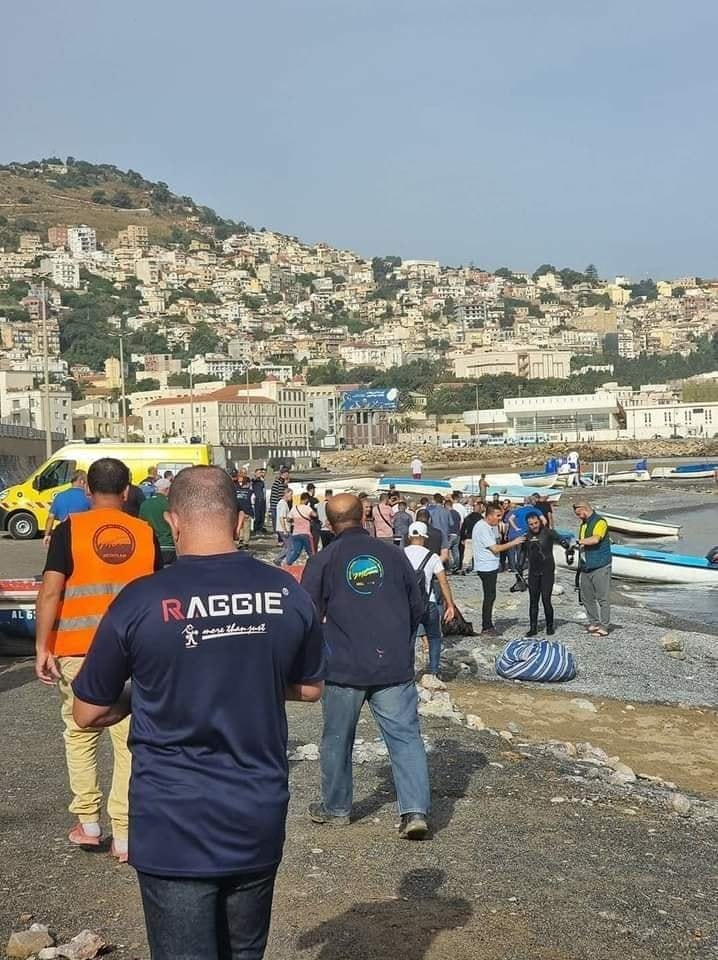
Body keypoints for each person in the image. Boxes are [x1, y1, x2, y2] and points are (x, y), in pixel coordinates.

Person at [71, 466, 325, 960]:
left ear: (173, 522)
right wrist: (251, 676)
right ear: (237, 521)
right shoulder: (286, 593)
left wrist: (142, 695)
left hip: (173, 820)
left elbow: (87, 711)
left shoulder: (140, 600)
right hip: (256, 810)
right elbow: (311, 688)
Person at [34, 458, 162, 861]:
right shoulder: (144, 532)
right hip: (134, 651)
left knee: (80, 731)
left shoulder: (70, 529)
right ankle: (125, 836)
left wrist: (42, 645)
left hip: (77, 647)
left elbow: (51, 591)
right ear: (127, 492)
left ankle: (88, 823)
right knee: (128, 742)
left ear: (87, 489)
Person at [302, 494, 429, 839]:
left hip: (343, 666)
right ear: (364, 516)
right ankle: (415, 811)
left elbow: (307, 617)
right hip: (392, 665)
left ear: (329, 524)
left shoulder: (324, 559)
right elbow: (417, 606)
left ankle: (337, 808)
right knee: (405, 738)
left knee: (337, 740)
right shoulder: (394, 554)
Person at [404, 522, 456, 676]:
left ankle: (407, 672)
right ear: (424, 537)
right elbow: (443, 581)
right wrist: (450, 605)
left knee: (409, 638)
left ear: (409, 536)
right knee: (434, 636)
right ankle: (433, 670)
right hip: (429, 602)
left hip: (407, 604)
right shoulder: (432, 556)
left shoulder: (400, 554)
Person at [472, 503, 524, 635]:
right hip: (485, 566)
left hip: (492, 565)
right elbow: (495, 548)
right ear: (489, 516)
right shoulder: (482, 528)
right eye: (498, 515)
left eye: (501, 515)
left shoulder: (492, 526)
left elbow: (498, 542)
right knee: (489, 596)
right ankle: (486, 626)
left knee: (491, 595)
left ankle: (487, 624)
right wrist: (514, 542)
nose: (500, 518)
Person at [524, 513, 571, 636]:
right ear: (528, 525)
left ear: (540, 522)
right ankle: (533, 628)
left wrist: (567, 547)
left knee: (546, 599)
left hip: (547, 571)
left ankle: (550, 626)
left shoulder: (548, 532)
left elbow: (561, 540)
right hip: (533, 572)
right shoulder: (527, 536)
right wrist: (518, 569)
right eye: (531, 524)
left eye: (536, 523)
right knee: (533, 601)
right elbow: (522, 553)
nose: (534, 526)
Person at [574, 501, 612, 636]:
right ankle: (594, 622)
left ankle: (605, 626)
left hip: (600, 565)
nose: (578, 517)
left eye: (579, 514)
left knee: (603, 597)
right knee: (586, 597)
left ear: (584, 509)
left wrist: (578, 542)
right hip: (586, 566)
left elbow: (595, 539)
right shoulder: (584, 524)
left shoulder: (600, 522)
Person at [43, 470, 90, 546]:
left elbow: (50, 517)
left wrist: (47, 534)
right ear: (82, 481)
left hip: (63, 535)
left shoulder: (59, 496)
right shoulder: (88, 497)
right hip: (81, 537)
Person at [139, 477, 176, 565]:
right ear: (167, 489)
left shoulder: (144, 504)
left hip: (151, 546)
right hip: (168, 546)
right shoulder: (170, 504)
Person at [286, 492, 316, 564]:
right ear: (306, 499)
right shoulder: (307, 508)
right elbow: (314, 515)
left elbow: (288, 519)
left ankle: (288, 564)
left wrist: (294, 520)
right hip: (306, 534)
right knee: (311, 553)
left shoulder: (294, 508)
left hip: (296, 534)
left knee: (296, 553)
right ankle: (315, 567)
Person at [459, 499, 483, 574]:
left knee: (467, 554)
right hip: (477, 538)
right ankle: (476, 568)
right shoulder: (481, 518)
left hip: (468, 537)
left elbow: (463, 528)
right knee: (477, 554)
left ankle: (464, 567)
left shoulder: (468, 517)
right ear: (479, 509)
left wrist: (462, 538)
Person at [275, 487, 294, 565]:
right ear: (286, 494)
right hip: (283, 529)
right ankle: (286, 562)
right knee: (291, 547)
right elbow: (281, 517)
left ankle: (278, 559)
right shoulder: (283, 504)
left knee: (287, 546)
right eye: (290, 495)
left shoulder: (281, 503)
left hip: (281, 528)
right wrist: (285, 529)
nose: (291, 496)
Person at [235, 475, 254, 549]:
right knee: (247, 528)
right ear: (247, 483)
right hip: (247, 512)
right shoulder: (250, 492)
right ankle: (246, 543)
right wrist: (252, 513)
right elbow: (252, 502)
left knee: (241, 527)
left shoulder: (236, 491)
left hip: (238, 512)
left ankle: (240, 541)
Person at [269, 467, 289, 534]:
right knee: (278, 521)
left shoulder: (277, 481)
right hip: (276, 505)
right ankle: (279, 535)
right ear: (285, 474)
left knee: (276, 521)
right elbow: (280, 495)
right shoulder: (280, 482)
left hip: (274, 504)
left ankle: (278, 534)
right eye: (287, 474)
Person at [445, 498, 462, 573]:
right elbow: (460, 523)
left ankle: (448, 567)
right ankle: (456, 566)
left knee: (446, 551)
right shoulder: (457, 513)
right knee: (456, 551)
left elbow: (447, 524)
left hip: (450, 534)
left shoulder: (447, 513)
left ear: (446, 506)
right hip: (457, 534)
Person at [305, 483, 322, 551]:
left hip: (307, 522)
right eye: (314, 489)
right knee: (315, 540)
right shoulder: (314, 500)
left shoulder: (304, 499)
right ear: (311, 490)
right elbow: (319, 510)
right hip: (315, 522)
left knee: (309, 540)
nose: (314, 491)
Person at [251, 467, 267, 534]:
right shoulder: (254, 481)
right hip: (257, 499)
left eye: (260, 473)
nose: (260, 474)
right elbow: (253, 481)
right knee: (257, 515)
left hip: (263, 499)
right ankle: (256, 528)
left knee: (262, 515)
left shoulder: (262, 481)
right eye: (258, 473)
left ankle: (260, 528)